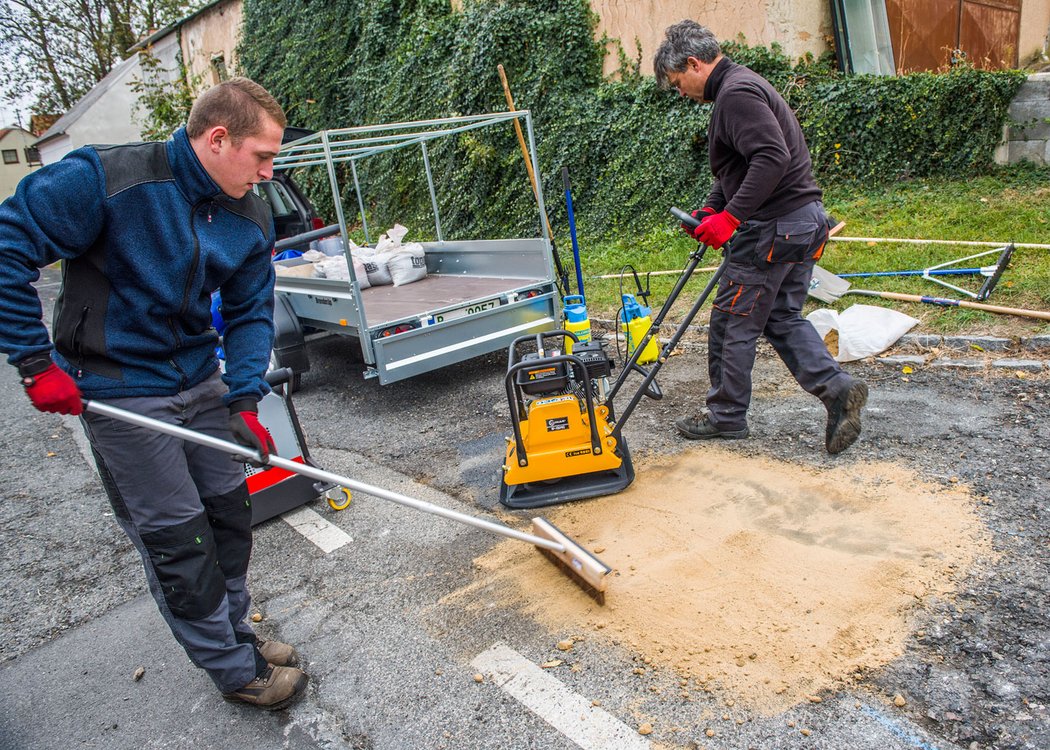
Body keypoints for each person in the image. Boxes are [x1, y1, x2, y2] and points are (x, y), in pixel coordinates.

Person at [0, 77, 309, 709]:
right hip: (121, 388)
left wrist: (244, 400)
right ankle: (234, 671)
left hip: (199, 379)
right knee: (179, 539)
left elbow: (251, 311)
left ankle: (236, 632)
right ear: (218, 139)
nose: (270, 172)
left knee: (227, 517)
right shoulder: (106, 180)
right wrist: (35, 362)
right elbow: (7, 247)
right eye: (263, 156)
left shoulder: (247, 212)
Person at [653, 20, 868, 454]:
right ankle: (838, 389)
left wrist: (731, 218)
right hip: (803, 222)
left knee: (733, 320)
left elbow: (771, 157)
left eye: (678, 83)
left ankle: (725, 416)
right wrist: (712, 209)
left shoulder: (734, 95)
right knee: (780, 317)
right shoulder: (744, 86)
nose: (681, 93)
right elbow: (740, 167)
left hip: (773, 227)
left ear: (694, 64)